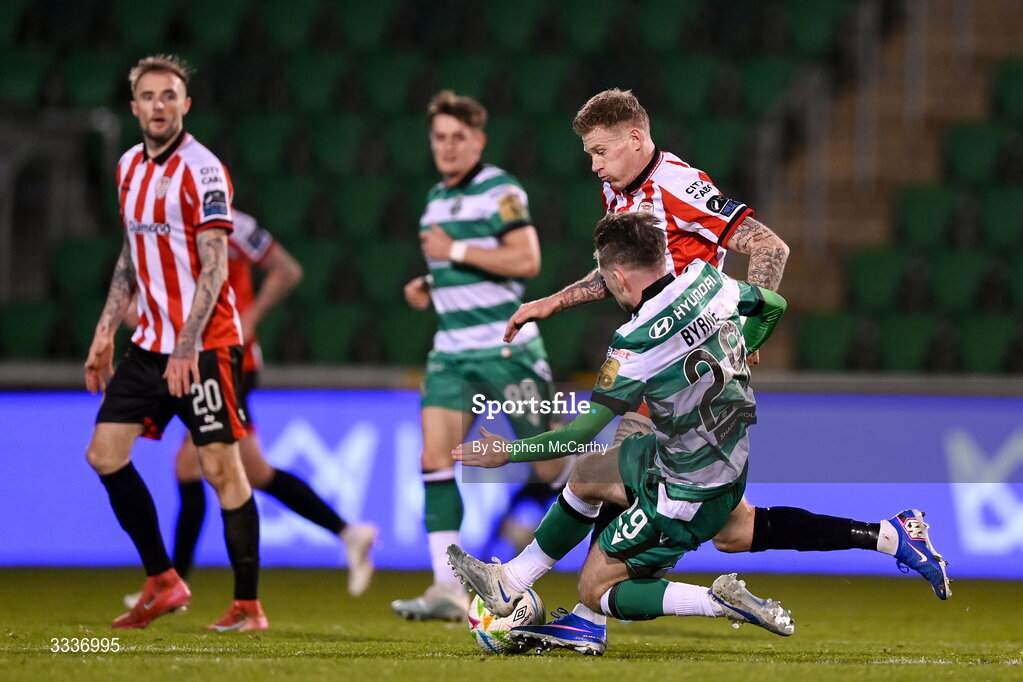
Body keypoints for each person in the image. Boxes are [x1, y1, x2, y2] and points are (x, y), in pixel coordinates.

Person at [448, 211, 950, 656]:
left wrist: (506, 452)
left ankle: (717, 601)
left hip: (685, 488)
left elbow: (578, 431)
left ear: (619, 276)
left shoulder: (633, 344)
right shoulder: (708, 281)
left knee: (595, 588)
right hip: (725, 459)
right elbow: (773, 303)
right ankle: (890, 535)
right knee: (600, 476)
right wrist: (742, 354)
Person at [503, 88, 793, 551]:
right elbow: (618, 272)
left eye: (600, 152)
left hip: (686, 363)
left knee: (607, 475)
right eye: (590, 155)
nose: (594, 166)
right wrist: (554, 302)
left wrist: (743, 324)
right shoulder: (616, 188)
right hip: (658, 354)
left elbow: (770, 246)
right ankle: (882, 538)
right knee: (724, 524)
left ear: (636, 139)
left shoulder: (678, 186)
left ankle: (571, 601)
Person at [84, 54, 265, 631]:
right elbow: (131, 254)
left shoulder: (203, 170)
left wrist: (188, 344)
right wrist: (105, 329)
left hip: (206, 344)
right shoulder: (128, 168)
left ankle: (247, 605)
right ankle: (163, 580)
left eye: (170, 96)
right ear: (133, 104)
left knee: (221, 469)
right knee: (105, 453)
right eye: (148, 96)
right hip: (149, 344)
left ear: (186, 105)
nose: (158, 106)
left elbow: (214, 264)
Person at [122, 210, 377, 613]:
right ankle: (349, 533)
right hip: (201, 359)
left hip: (230, 361)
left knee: (190, 466)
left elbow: (287, 270)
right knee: (255, 472)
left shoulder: (230, 226)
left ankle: (172, 586)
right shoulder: (164, 229)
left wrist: (249, 320)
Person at [391, 90, 569, 621]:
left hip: (506, 351)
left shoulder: (501, 191)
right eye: (439, 137)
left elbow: (526, 258)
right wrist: (431, 281)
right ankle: (446, 589)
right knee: (435, 459)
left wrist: (454, 252)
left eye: (458, 137)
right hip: (451, 355)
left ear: (478, 141)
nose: (447, 147)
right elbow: (461, 269)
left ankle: (607, 518)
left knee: (554, 464)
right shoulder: (434, 199)